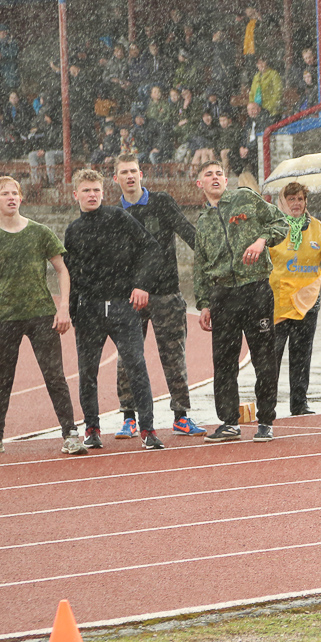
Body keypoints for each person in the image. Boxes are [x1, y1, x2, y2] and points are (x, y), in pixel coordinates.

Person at [0, 176, 84, 457]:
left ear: (21, 198)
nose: (11, 198)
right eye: (4, 194)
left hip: (42, 315)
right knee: (2, 379)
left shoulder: (40, 232)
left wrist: (63, 307)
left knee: (54, 376)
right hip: (6, 318)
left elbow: (62, 270)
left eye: (15, 193)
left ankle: (71, 435)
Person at [64, 169, 165, 450]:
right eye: (86, 190)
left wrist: (141, 284)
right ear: (76, 195)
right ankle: (92, 429)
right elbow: (69, 274)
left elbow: (151, 248)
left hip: (123, 307)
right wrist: (72, 311)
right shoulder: (73, 230)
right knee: (87, 373)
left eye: (96, 190)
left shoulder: (119, 217)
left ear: (103, 192)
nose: (92, 195)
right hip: (89, 311)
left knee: (136, 367)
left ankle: (147, 430)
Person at [193, 161, 289, 443]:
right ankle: (229, 422)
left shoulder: (245, 198)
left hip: (255, 289)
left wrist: (262, 240)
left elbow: (280, 223)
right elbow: (200, 266)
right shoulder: (203, 221)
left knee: (264, 358)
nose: (215, 178)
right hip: (222, 295)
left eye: (219, 174)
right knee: (224, 362)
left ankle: (266, 420)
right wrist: (204, 303)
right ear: (200, 183)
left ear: (226, 180)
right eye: (208, 175)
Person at [112, 153, 208, 437]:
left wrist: (212, 258)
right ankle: (128, 417)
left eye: (133, 171)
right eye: (124, 172)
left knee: (174, 357)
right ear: (115, 179)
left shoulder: (161, 202)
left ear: (141, 174)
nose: (130, 176)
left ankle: (181, 416)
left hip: (167, 295)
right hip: (130, 298)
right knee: (127, 358)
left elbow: (189, 233)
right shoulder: (114, 214)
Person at [269, 181, 321, 416]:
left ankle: (299, 404)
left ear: (306, 202)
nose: (296, 203)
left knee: (301, 356)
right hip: (278, 302)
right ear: (283, 202)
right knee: (271, 357)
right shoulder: (274, 227)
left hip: (307, 301)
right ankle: (267, 405)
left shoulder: (318, 227)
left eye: (300, 199)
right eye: (291, 199)